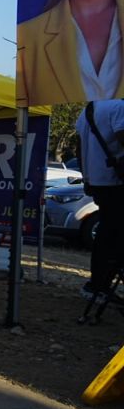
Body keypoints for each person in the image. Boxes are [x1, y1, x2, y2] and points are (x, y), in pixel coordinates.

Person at [76, 98, 124, 304]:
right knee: (115, 236)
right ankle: (100, 285)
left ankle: (98, 285)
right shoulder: (118, 107)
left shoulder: (88, 109)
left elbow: (79, 149)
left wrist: (87, 178)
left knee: (106, 234)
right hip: (116, 181)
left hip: (98, 182)